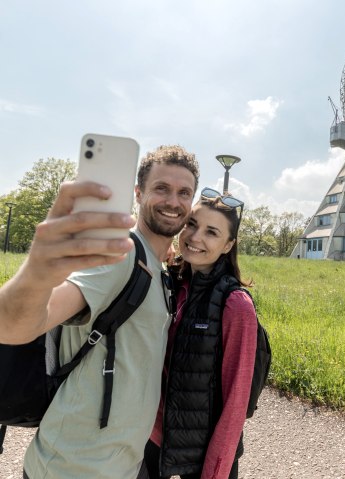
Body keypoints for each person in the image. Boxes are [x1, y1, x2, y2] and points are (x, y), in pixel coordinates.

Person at [0, 145, 199, 479]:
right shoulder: (118, 255)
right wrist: (36, 271)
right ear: (138, 193)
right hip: (74, 467)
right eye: (161, 188)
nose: (173, 202)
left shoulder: (158, 268)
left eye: (184, 192)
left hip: (121, 465)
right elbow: (15, 327)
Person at [144, 187, 257, 479]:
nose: (195, 238)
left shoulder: (236, 305)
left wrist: (215, 471)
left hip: (203, 451)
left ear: (228, 245)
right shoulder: (170, 284)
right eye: (192, 225)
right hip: (153, 436)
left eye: (211, 232)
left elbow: (235, 403)